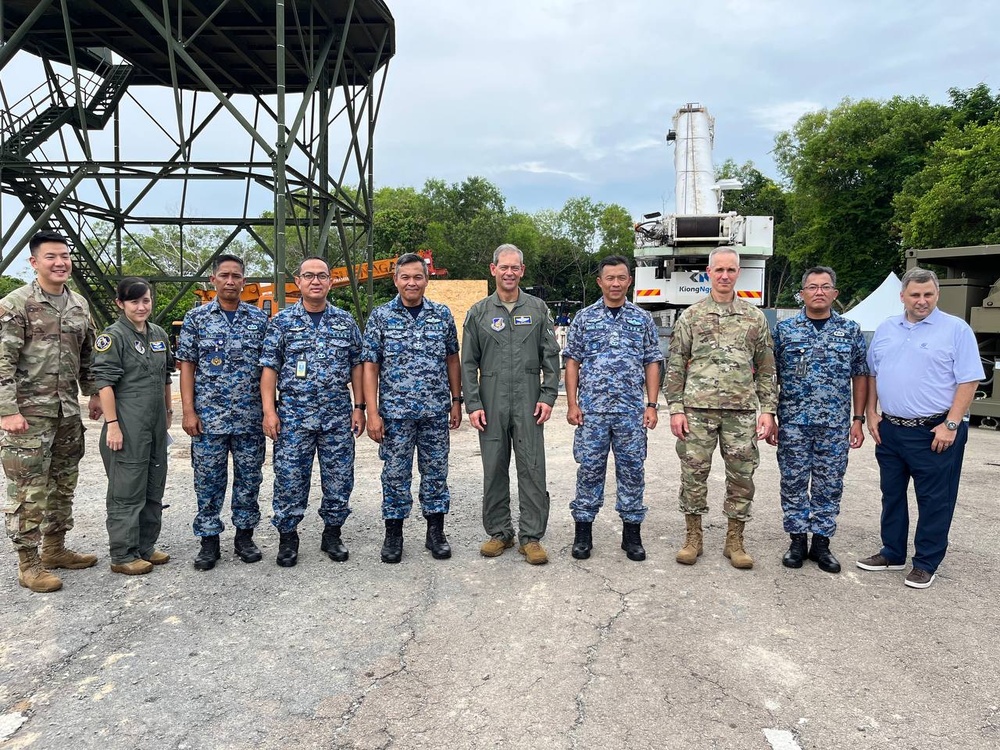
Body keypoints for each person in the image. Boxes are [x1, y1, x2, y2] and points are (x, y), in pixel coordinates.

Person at [858, 267, 984, 589]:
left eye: (928, 294)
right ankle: (892, 552)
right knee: (892, 495)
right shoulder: (887, 329)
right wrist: (872, 414)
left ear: (937, 294)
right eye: (915, 295)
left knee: (934, 500)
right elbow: (873, 374)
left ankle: (926, 562)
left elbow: (969, 380)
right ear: (902, 296)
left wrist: (951, 424)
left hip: (934, 432)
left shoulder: (956, 330)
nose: (922, 301)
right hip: (891, 430)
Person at [0, 230, 102, 592]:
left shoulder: (79, 305)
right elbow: (3, 363)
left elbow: (89, 354)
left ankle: (55, 549)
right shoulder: (16, 304)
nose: (60, 263)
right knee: (28, 489)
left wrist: (93, 394)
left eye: (65, 256)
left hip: (66, 414)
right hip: (27, 417)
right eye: (51, 257)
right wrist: (7, 411)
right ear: (34, 262)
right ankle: (28, 563)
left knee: (63, 483)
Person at [665, 247, 776, 569]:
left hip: (740, 411)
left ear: (737, 273)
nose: (725, 276)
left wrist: (767, 409)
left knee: (742, 477)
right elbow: (675, 364)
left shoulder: (754, 318)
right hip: (697, 410)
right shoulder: (692, 316)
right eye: (719, 270)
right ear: (709, 273)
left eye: (730, 270)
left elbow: (766, 367)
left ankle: (735, 540)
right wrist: (675, 408)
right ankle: (693, 537)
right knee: (693, 475)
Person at [260, 256, 365, 568]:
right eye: (309, 276)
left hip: (336, 414)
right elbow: (268, 370)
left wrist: (359, 407)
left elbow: (358, 367)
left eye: (322, 276)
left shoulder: (345, 322)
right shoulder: (281, 323)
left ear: (331, 282)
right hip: (293, 414)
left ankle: (332, 533)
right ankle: (288, 537)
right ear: (299, 282)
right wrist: (269, 412)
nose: (316, 281)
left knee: (339, 477)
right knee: (290, 478)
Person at [461, 243, 560, 565]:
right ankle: (499, 532)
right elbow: (467, 363)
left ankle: (531, 537)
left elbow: (551, 356)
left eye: (515, 267)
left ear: (522, 271)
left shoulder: (537, 309)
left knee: (532, 468)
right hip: (491, 400)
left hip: (530, 400)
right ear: (493, 270)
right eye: (503, 267)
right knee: (494, 468)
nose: (509, 272)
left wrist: (548, 396)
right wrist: (473, 403)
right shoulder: (478, 313)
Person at [361, 253, 462, 563]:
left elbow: (452, 359)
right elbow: (370, 366)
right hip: (395, 415)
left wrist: (456, 401)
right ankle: (394, 534)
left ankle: (435, 533)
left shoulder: (441, 315)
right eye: (405, 277)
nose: (411, 282)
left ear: (426, 280)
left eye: (417, 277)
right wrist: (372, 412)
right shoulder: (381, 316)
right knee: (394, 475)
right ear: (395, 280)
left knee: (436, 473)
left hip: (434, 412)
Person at [769, 267, 868, 573]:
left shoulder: (850, 330)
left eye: (825, 287)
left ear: (834, 294)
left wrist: (858, 419)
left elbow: (860, 375)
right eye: (812, 287)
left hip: (835, 425)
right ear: (802, 293)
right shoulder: (785, 331)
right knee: (794, 482)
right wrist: (770, 415)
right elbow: (770, 376)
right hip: (794, 423)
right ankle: (797, 541)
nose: (819, 292)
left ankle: (822, 543)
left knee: (829, 484)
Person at [563, 256, 662, 561]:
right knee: (589, 470)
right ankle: (583, 534)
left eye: (621, 278)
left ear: (629, 281)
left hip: (631, 413)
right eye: (610, 278)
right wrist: (572, 403)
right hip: (592, 412)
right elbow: (572, 362)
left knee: (632, 471)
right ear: (600, 282)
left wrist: (652, 404)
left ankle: (631, 535)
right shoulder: (584, 318)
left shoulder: (642, 319)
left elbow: (652, 361)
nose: (615, 283)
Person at [176, 254, 268, 571]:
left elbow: (268, 370)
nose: (231, 281)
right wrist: (188, 411)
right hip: (209, 419)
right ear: (213, 280)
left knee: (248, 480)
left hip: (249, 419)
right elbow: (186, 367)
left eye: (237, 276)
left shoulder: (259, 320)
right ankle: (209, 541)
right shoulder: (196, 319)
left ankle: (244, 536)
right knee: (208, 482)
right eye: (225, 275)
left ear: (244, 281)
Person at [93, 277, 175, 575]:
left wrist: (168, 410)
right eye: (134, 301)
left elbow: (167, 375)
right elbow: (104, 383)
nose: (141, 307)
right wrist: (112, 424)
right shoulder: (113, 337)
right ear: (120, 304)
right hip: (126, 424)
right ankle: (123, 554)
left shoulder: (158, 334)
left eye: (146, 300)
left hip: (153, 425)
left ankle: (145, 546)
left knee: (154, 485)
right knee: (127, 490)